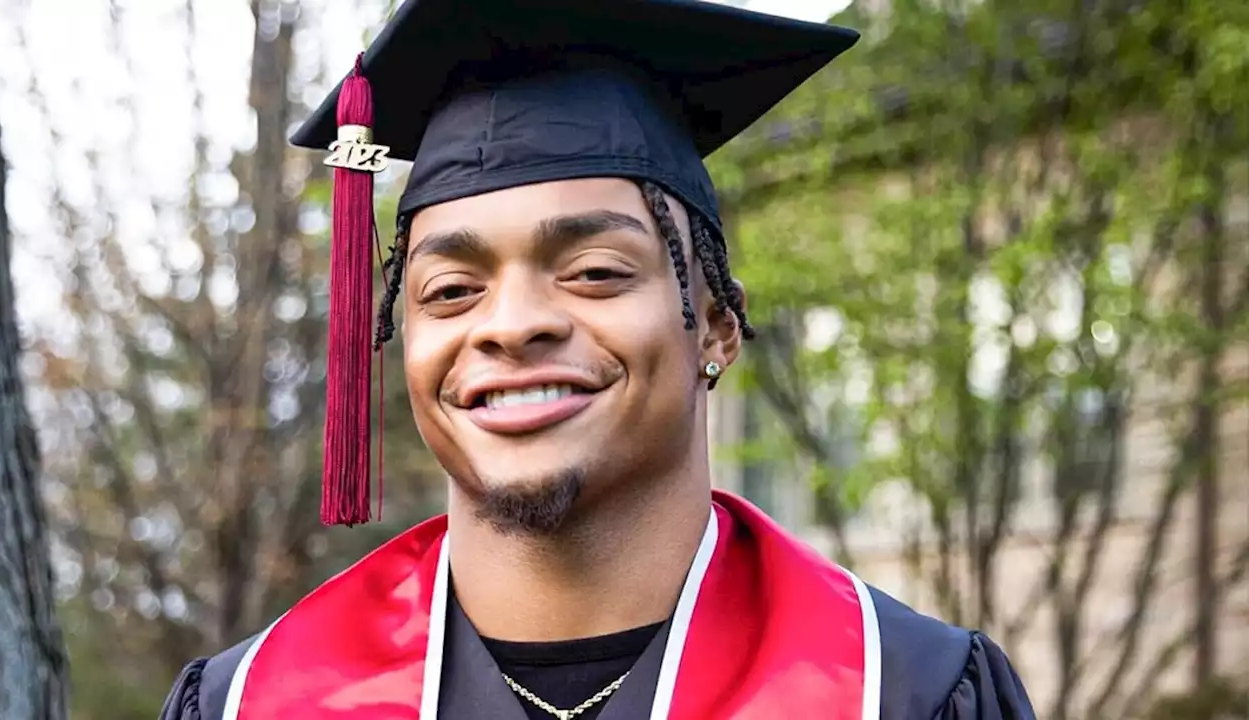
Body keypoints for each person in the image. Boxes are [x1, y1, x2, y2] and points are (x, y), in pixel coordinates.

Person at [160, 0, 1039, 718]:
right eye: (451, 291)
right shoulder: (262, 699)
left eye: (593, 272)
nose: (511, 325)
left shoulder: (903, 691)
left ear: (717, 326)